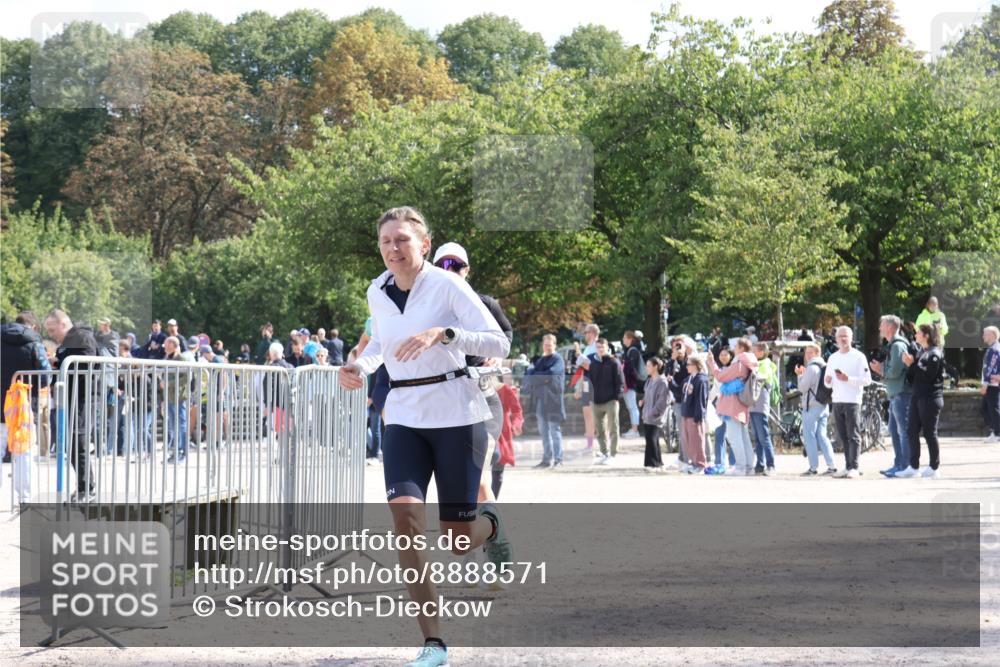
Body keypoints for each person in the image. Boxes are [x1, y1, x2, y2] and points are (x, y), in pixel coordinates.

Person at [337, 206, 511, 667]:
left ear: (424, 244)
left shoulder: (450, 285)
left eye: (402, 240)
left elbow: (499, 342)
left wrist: (446, 333)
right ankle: (434, 643)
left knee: (456, 539)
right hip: (404, 419)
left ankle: (492, 524)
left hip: (457, 414)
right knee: (407, 526)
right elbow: (379, 345)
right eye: (386, 241)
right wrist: (359, 367)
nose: (393, 248)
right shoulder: (377, 290)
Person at [44, 309, 99, 501]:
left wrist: (61, 361)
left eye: (52, 330)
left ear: (63, 324)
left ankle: (87, 489)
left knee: (79, 442)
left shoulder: (82, 337)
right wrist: (57, 363)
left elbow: (90, 363)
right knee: (73, 443)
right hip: (71, 397)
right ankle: (85, 487)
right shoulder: (68, 341)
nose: (51, 334)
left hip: (83, 397)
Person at [2, 312, 53, 504]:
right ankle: (24, 498)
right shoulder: (34, 343)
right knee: (24, 453)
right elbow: (46, 375)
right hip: (23, 406)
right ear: (32, 326)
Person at [894, 324, 946, 478]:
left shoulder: (935, 353)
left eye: (918, 333)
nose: (915, 335)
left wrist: (913, 365)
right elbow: (913, 377)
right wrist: (910, 364)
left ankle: (934, 467)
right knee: (911, 430)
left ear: (927, 335)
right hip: (917, 396)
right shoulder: (921, 352)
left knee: (930, 433)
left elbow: (929, 377)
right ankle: (914, 466)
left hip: (930, 397)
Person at [824, 326, 872, 479]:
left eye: (846, 336)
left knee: (854, 435)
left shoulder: (859, 356)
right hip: (837, 400)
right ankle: (847, 466)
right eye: (840, 336)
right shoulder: (832, 358)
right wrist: (828, 381)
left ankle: (855, 467)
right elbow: (827, 383)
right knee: (842, 436)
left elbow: (867, 380)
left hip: (852, 400)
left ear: (851, 338)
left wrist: (848, 379)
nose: (843, 339)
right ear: (836, 339)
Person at [706, 338, 757, 476]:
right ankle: (748, 467)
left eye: (736, 346)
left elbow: (721, 376)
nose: (734, 348)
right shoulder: (749, 362)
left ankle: (740, 467)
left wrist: (711, 363)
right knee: (743, 436)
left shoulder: (739, 363)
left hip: (732, 405)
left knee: (734, 437)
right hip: (741, 404)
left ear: (741, 348)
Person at [869, 315, 912, 477]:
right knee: (894, 430)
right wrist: (882, 369)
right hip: (896, 393)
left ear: (890, 327)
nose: (879, 328)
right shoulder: (894, 345)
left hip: (901, 393)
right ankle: (899, 464)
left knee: (902, 431)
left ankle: (905, 466)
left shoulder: (897, 345)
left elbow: (894, 371)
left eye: (882, 325)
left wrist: (881, 370)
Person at [523, 334, 566, 469]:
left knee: (554, 430)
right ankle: (546, 460)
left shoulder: (558, 360)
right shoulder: (540, 360)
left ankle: (558, 460)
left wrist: (537, 376)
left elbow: (551, 374)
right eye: (545, 344)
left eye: (550, 344)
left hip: (554, 400)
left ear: (555, 345)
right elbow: (529, 376)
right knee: (543, 431)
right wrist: (540, 377)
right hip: (540, 400)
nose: (547, 347)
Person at [795, 343, 837, 475]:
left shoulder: (811, 368)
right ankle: (832, 465)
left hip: (811, 406)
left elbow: (802, 388)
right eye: (806, 353)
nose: (807, 355)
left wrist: (800, 375)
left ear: (817, 353)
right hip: (824, 405)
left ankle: (813, 468)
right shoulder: (825, 366)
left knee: (809, 437)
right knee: (822, 436)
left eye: (810, 353)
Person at [581, 337, 625, 465]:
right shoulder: (592, 363)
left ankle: (613, 454)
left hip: (611, 400)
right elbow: (588, 380)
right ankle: (604, 453)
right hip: (596, 401)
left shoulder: (614, 362)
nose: (600, 349)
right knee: (599, 430)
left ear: (607, 348)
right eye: (598, 347)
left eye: (602, 347)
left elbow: (620, 381)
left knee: (613, 428)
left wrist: (617, 398)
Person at [705, 348, 736, 475]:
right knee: (719, 435)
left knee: (732, 436)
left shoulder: (733, 369)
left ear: (731, 356)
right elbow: (715, 389)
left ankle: (734, 463)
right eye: (721, 355)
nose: (723, 357)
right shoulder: (719, 370)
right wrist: (708, 400)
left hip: (731, 406)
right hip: (719, 407)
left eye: (726, 354)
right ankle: (719, 462)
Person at [749, 342, 779, 475]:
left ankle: (771, 465)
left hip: (760, 406)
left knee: (764, 436)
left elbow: (762, 377)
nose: (751, 353)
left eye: (754, 350)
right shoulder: (759, 364)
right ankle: (759, 465)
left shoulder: (765, 364)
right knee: (758, 437)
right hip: (754, 406)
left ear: (761, 352)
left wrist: (751, 370)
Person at [664, 336, 694, 467]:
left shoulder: (691, 361)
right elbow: (668, 377)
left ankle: (690, 457)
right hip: (678, 400)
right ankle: (683, 458)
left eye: (680, 346)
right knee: (682, 430)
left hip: (691, 400)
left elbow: (690, 379)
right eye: (675, 346)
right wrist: (673, 359)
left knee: (692, 431)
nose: (678, 349)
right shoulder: (671, 362)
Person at [571, 323, 600, 452]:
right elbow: (584, 370)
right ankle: (590, 445)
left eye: (587, 332)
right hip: (587, 383)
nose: (585, 334)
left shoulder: (598, 347)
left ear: (593, 333)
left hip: (597, 384)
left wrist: (578, 353)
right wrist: (579, 388)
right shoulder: (588, 348)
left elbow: (591, 367)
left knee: (597, 416)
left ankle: (602, 445)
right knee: (587, 414)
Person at [680, 355, 710, 473]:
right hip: (686, 413)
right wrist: (671, 383)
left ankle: (701, 464)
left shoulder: (701, 380)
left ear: (696, 365)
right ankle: (693, 463)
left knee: (697, 441)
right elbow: (679, 392)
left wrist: (698, 416)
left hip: (695, 415)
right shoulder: (689, 379)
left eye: (689, 364)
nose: (686, 366)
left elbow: (701, 400)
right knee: (689, 442)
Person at [640, 357, 670, 470]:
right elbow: (647, 395)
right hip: (647, 414)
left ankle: (653, 463)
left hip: (655, 416)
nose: (646, 368)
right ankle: (657, 463)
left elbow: (662, 401)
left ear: (655, 366)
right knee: (651, 439)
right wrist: (642, 401)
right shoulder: (649, 380)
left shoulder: (662, 382)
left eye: (648, 365)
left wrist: (653, 412)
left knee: (652, 439)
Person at [620, 330, 644, 439]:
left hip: (629, 383)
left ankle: (635, 429)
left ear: (629, 339)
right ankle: (633, 429)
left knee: (632, 407)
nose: (623, 340)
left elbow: (630, 369)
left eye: (624, 338)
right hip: (628, 383)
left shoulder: (632, 351)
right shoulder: (630, 350)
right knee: (631, 407)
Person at [981, 326, 1000, 443]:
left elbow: (991, 368)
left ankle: (997, 433)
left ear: (992, 334)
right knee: (985, 409)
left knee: (993, 408)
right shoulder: (993, 348)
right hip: (991, 383)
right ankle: (995, 431)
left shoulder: (995, 349)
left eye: (985, 333)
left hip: (992, 385)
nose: (983, 336)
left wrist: (985, 384)